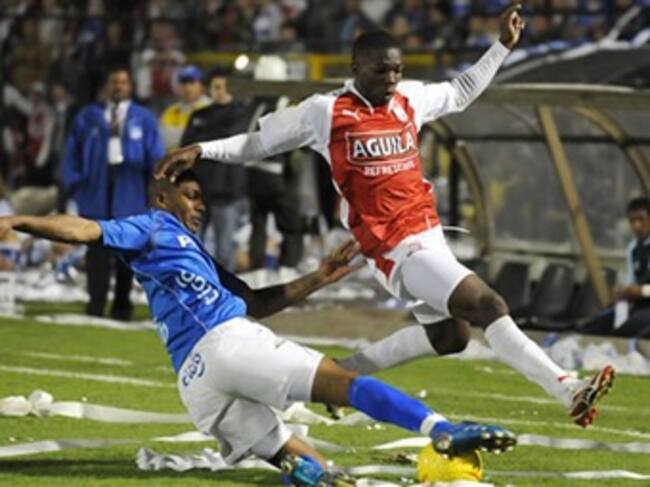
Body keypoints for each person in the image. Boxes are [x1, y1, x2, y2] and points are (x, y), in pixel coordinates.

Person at [156, 4, 614, 428]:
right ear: (355, 68)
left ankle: (341, 374)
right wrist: (203, 149)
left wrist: (502, 47)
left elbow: (460, 91)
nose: (392, 78)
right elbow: (257, 143)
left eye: (397, 69)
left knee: (451, 337)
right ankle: (568, 388)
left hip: (429, 234)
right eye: (382, 70)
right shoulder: (325, 112)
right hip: (394, 248)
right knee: (489, 305)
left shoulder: (408, 100)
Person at [0, 170, 516, 486]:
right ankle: (441, 430)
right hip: (226, 343)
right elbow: (86, 229)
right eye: (191, 195)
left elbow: (254, 301)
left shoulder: (194, 256)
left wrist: (319, 277)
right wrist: (20, 222)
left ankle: (319, 477)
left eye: (201, 197)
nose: (200, 204)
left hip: (196, 383)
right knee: (345, 383)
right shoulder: (152, 226)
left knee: (307, 463)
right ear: (162, 199)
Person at [62, 66, 165, 321]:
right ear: (106, 86)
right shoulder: (88, 116)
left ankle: (122, 306)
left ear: (130, 86)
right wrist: (76, 185)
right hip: (95, 196)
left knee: (127, 255)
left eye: (123, 81)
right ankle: (95, 304)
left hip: (131, 197)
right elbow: (71, 154)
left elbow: (156, 158)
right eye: (113, 81)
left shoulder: (144, 118)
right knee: (96, 253)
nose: (118, 86)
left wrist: (154, 194)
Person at [180, 68, 249, 271]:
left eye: (225, 87)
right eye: (216, 87)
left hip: (227, 191)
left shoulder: (243, 116)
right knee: (193, 246)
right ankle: (197, 285)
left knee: (225, 250)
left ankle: (224, 289)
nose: (221, 91)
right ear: (208, 89)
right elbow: (186, 150)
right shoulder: (199, 116)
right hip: (200, 191)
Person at [581, 197, 650, 338]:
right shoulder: (633, 249)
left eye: (641, 219)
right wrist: (622, 291)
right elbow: (631, 282)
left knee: (624, 332)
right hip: (638, 306)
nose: (636, 226)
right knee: (590, 327)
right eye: (632, 221)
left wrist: (641, 291)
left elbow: (639, 290)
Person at [159, 65, 211, 150]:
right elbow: (163, 140)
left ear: (202, 86)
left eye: (192, 83)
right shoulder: (171, 111)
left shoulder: (211, 108)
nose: (187, 88)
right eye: (183, 83)